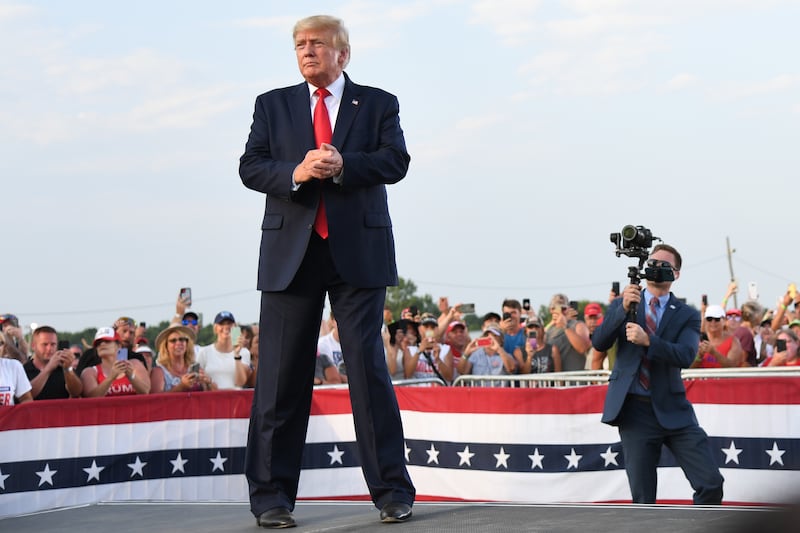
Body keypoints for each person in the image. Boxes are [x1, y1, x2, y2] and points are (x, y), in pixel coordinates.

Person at [239, 14, 415, 527]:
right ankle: (271, 498)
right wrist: (294, 172)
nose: (307, 51)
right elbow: (250, 166)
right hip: (290, 254)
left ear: (344, 54)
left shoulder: (378, 102)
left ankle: (391, 493)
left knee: (367, 371)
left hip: (357, 252)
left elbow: (396, 161)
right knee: (279, 378)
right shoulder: (272, 105)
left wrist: (345, 166)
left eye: (317, 43)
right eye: (299, 45)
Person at [592, 243, 724, 504]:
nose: (656, 269)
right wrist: (620, 309)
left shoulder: (687, 314)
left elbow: (686, 355)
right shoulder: (624, 304)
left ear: (676, 274)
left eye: (664, 265)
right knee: (643, 498)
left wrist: (648, 341)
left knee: (710, 483)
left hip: (675, 409)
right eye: (652, 264)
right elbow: (599, 342)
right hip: (634, 411)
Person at [81, 327, 150, 397]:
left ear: (119, 345)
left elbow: (146, 392)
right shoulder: (90, 372)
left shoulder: (135, 364)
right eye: (98, 343)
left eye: (107, 341)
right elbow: (91, 399)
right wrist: (111, 378)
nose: (102, 344)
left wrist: (131, 376)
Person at [24, 325, 83, 399]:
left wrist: (68, 369)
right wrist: (48, 369)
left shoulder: (63, 368)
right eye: (44, 344)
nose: (49, 348)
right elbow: (26, 396)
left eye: (53, 344)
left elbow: (77, 392)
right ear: (33, 346)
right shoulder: (23, 370)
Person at [150, 325, 214, 393]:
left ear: (187, 344)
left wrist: (208, 383)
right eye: (173, 340)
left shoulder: (196, 368)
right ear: (166, 346)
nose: (178, 343)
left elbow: (209, 396)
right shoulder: (159, 372)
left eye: (182, 339)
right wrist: (181, 386)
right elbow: (156, 400)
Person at [196, 311, 251, 390]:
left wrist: (237, 355)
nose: (226, 327)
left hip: (235, 399)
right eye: (222, 324)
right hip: (212, 399)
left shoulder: (244, 352)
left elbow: (240, 382)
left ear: (235, 327)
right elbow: (198, 380)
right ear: (215, 328)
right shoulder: (204, 352)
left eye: (229, 323)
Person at [545, 294, 592, 371]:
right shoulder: (548, 329)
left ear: (568, 309)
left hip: (576, 379)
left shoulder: (577, 325)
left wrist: (565, 327)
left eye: (563, 308)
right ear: (551, 310)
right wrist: (551, 324)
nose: (560, 311)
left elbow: (583, 348)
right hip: (555, 380)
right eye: (555, 308)